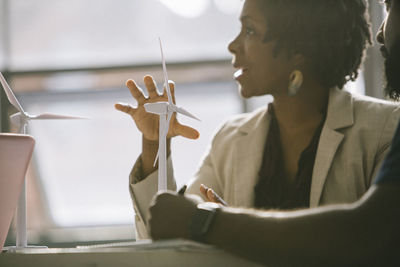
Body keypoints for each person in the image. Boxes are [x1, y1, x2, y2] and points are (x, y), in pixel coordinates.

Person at [115, 0, 400, 239]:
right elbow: (167, 235)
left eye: (250, 30)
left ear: (299, 47)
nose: (232, 45)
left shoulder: (385, 130)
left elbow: (373, 245)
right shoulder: (230, 139)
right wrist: (155, 144)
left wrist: (228, 229)